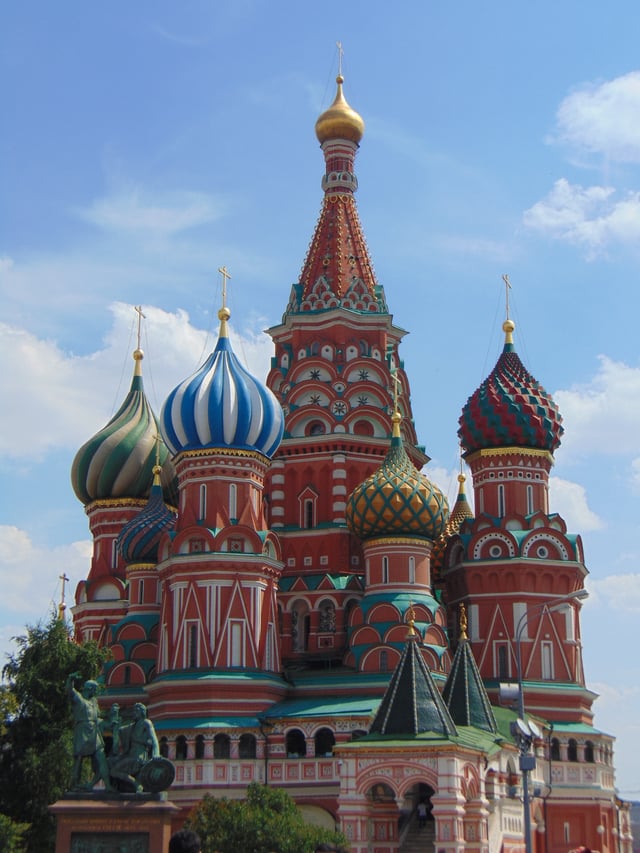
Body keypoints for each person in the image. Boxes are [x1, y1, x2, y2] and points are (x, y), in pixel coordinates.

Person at [66, 671, 113, 791]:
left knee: (101, 757)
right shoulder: (80, 700)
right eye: (95, 689)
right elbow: (70, 691)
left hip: (94, 731)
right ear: (89, 689)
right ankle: (74, 785)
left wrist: (110, 721)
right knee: (79, 759)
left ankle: (107, 786)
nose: (96, 692)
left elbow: (97, 718)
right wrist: (70, 679)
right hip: (82, 731)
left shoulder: (94, 702)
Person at [109, 702, 160, 793]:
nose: (134, 713)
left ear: (142, 712)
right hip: (130, 755)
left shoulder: (146, 722)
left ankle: (136, 784)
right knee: (110, 761)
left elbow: (154, 740)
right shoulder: (132, 726)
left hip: (138, 758)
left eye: (136, 711)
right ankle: (112, 787)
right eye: (133, 711)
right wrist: (115, 721)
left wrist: (156, 754)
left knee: (114, 771)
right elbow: (120, 730)